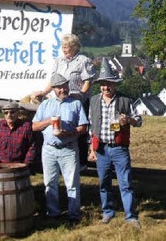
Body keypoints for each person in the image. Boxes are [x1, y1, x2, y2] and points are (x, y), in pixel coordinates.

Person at [88, 57, 143, 229]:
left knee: (125, 183)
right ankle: (108, 212)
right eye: (103, 84)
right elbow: (92, 128)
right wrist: (92, 149)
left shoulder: (125, 100)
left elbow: (139, 120)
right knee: (104, 183)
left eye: (109, 84)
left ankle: (131, 216)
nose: (105, 87)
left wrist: (129, 120)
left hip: (119, 149)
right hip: (102, 148)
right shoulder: (94, 101)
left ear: (115, 84)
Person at [32, 73, 89, 223]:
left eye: (65, 86)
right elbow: (34, 126)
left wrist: (70, 133)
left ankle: (74, 215)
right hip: (49, 149)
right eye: (59, 87)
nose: (63, 90)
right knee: (50, 182)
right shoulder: (45, 105)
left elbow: (83, 127)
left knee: (72, 183)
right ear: (54, 89)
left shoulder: (75, 104)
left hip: (69, 148)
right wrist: (49, 122)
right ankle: (53, 212)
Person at [33, 33, 95, 168]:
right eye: (62, 46)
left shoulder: (83, 60)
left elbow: (87, 81)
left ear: (74, 47)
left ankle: (80, 162)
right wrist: (44, 92)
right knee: (59, 125)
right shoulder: (59, 61)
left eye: (66, 47)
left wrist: (81, 95)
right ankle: (59, 157)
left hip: (76, 100)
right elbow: (54, 81)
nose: (63, 49)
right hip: (60, 99)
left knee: (79, 128)